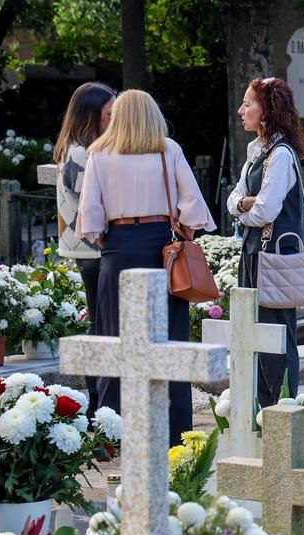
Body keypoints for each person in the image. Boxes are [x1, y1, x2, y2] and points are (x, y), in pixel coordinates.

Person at [77, 90, 217, 445]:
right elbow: (195, 210)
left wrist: (113, 239)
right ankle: (175, 435)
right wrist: (179, 228)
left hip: (119, 250)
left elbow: (90, 223)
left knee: (116, 341)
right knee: (170, 344)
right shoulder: (168, 150)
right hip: (162, 250)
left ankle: (115, 433)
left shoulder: (100, 154)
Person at [226, 77, 304, 403]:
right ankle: (259, 407)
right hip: (253, 251)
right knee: (253, 329)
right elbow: (235, 198)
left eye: (248, 104)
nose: (241, 110)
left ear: (267, 110)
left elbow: (266, 210)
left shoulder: (282, 154)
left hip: (274, 255)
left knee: (277, 333)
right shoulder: (257, 150)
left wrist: (245, 207)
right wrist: (245, 205)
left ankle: (282, 408)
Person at [54, 81, 115, 411]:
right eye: (109, 112)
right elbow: (94, 200)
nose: (114, 118)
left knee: (99, 318)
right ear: (91, 114)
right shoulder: (80, 153)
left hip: (86, 246)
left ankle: (99, 396)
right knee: (98, 321)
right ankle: (96, 399)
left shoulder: (78, 148)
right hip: (90, 247)